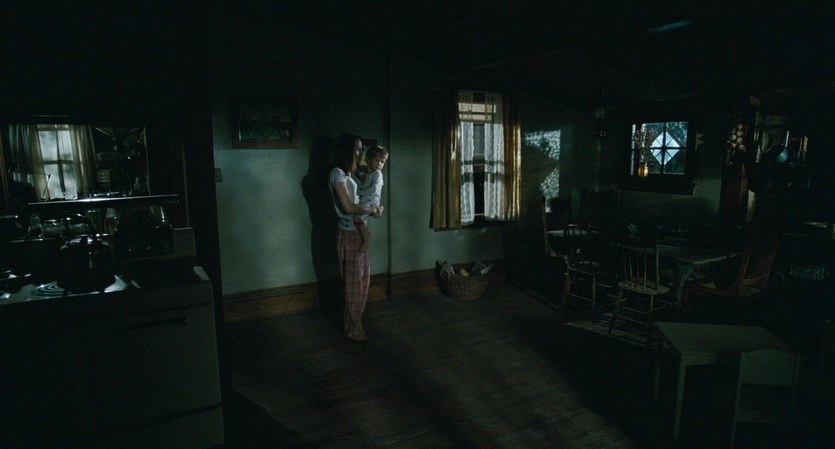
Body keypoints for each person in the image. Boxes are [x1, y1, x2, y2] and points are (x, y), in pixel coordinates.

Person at [329, 135, 381, 341]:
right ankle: (353, 328)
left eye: (361, 149)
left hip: (359, 231)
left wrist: (377, 207)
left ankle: (356, 322)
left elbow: (362, 200)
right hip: (348, 233)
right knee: (353, 286)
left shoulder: (350, 174)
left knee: (362, 282)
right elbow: (348, 207)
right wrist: (371, 209)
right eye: (357, 149)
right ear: (346, 150)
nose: (361, 153)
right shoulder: (337, 173)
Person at [353, 145, 388, 253]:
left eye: (382, 162)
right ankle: (365, 237)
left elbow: (374, 189)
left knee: (358, 218)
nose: (379, 164)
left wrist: (360, 193)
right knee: (361, 219)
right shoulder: (369, 172)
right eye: (377, 160)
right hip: (367, 199)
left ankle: (366, 238)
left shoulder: (377, 174)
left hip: (371, 199)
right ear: (368, 159)